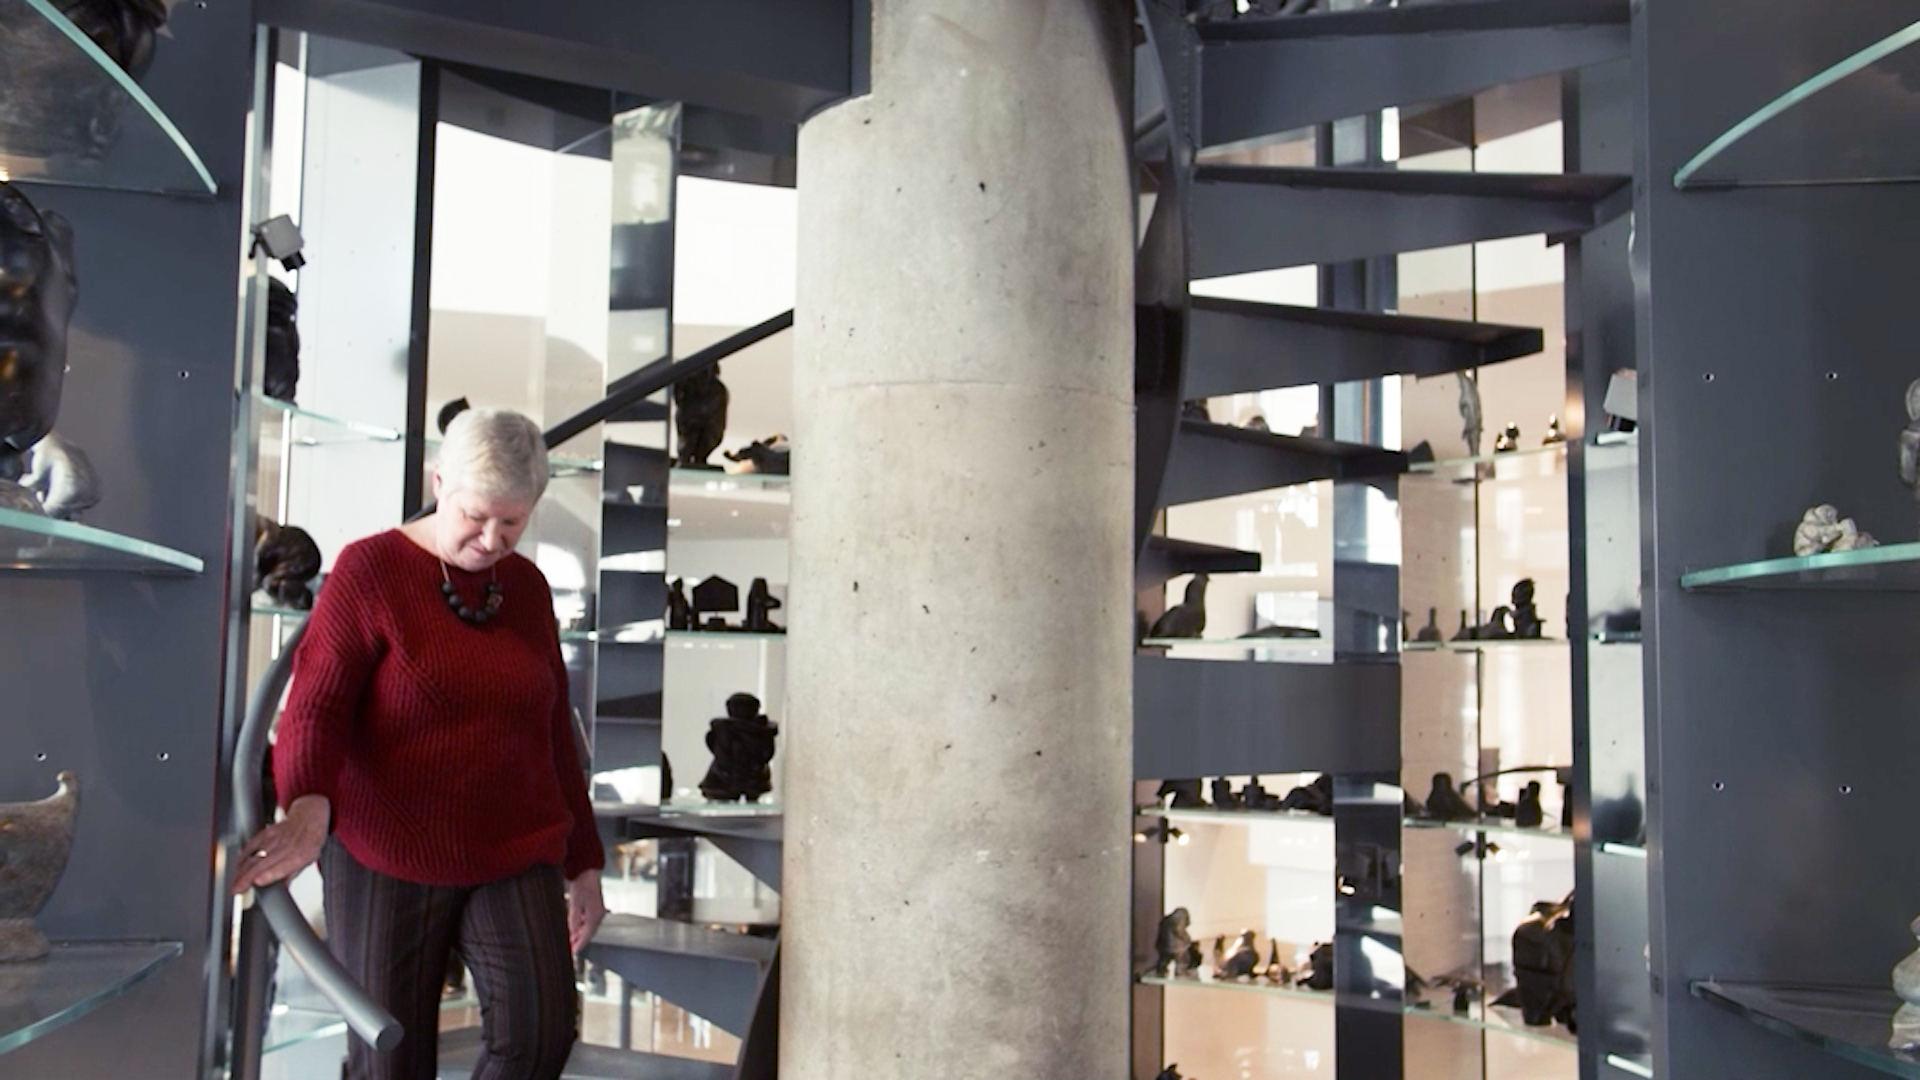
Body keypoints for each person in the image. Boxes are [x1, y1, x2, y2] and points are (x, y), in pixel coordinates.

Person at [231, 407, 606, 1080]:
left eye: (513, 522)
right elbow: (316, 708)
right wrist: (307, 807)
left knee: (541, 1037)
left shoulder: (526, 588)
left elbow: (551, 730)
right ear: (439, 482)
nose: (492, 538)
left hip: (512, 847)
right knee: (389, 1063)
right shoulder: (370, 569)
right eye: (475, 515)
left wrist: (585, 862)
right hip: (386, 849)